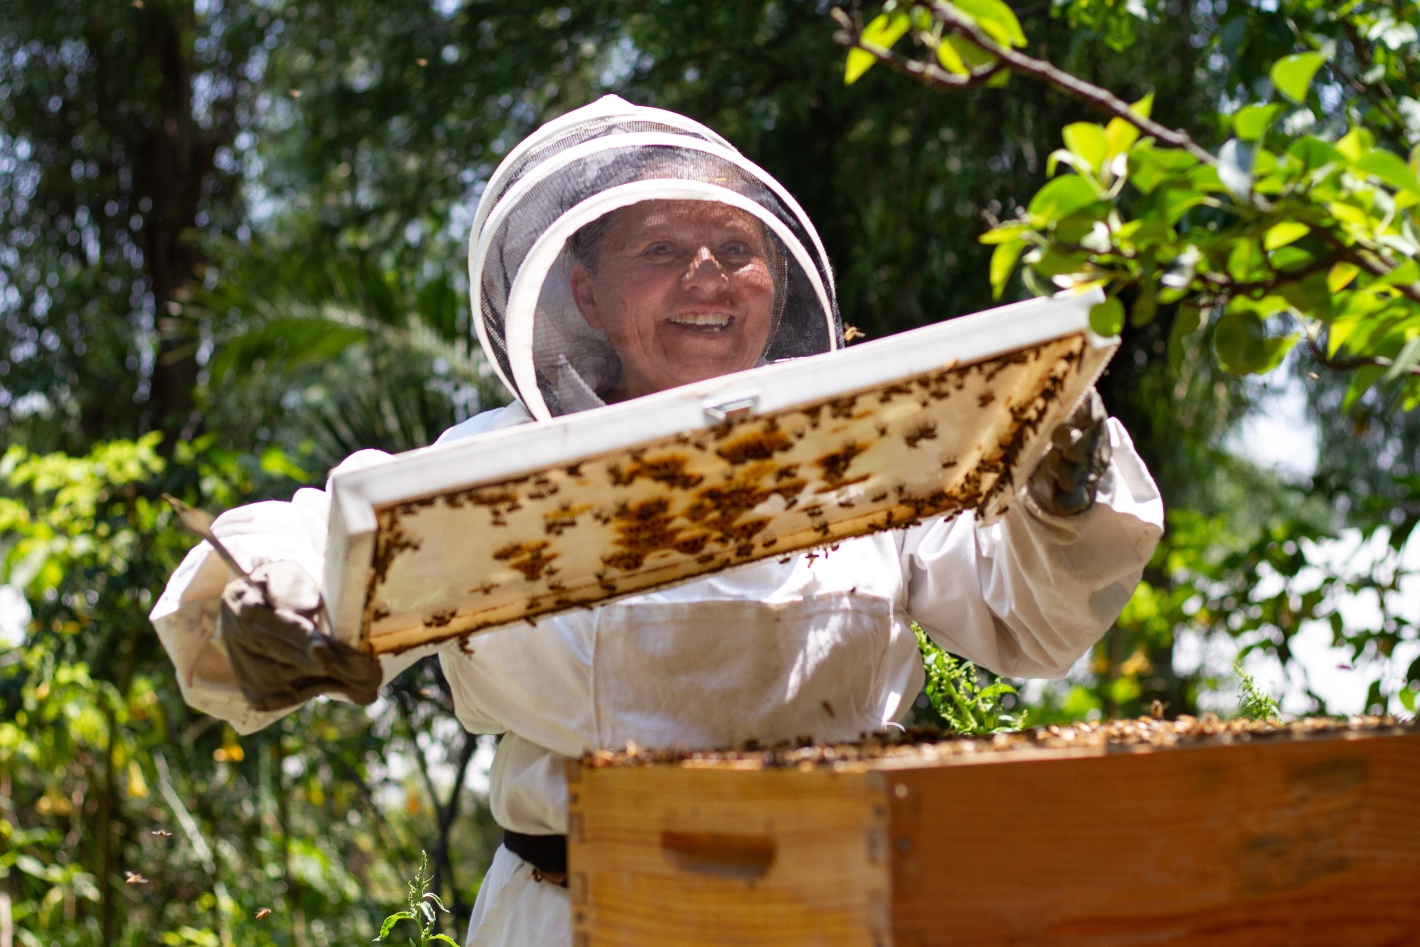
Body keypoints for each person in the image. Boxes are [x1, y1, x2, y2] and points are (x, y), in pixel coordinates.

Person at [150, 96, 1163, 946]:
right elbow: (318, 540)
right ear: (582, 290)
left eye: (736, 246)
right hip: (579, 913)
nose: (709, 275)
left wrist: (1059, 490)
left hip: (842, 908)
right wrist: (271, 596)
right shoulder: (493, 463)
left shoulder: (862, 444)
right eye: (662, 249)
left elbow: (1027, 617)